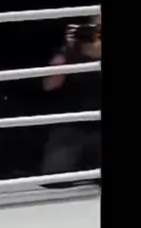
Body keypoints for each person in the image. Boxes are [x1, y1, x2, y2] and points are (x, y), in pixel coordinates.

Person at [41, 16, 101, 178]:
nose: (97, 36)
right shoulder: (69, 52)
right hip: (72, 126)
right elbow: (49, 85)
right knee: (55, 178)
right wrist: (68, 50)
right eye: (94, 30)